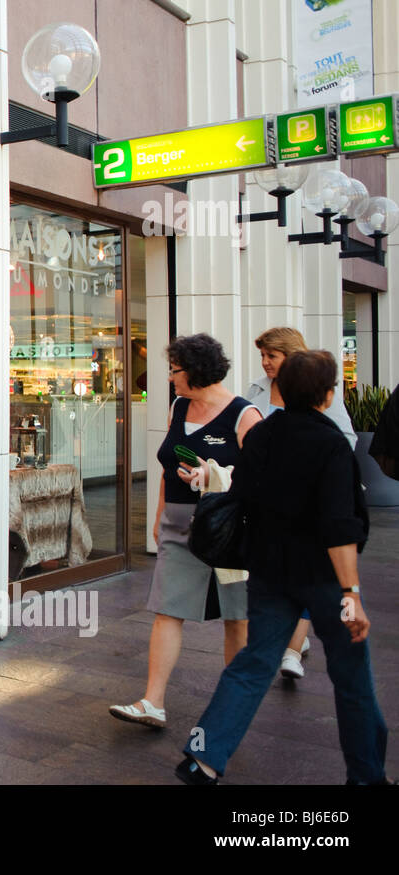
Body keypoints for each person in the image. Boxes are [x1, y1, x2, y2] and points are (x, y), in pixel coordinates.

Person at [176, 350, 390, 785]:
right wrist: (351, 593)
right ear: (328, 396)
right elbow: (337, 526)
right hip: (325, 580)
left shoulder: (263, 435)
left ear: (281, 390)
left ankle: (203, 758)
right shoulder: (330, 444)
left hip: (270, 572)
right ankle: (367, 775)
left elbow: (247, 496)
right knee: (351, 675)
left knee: (254, 662)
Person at [109, 333, 261, 729]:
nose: (170, 378)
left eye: (175, 371)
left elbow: (261, 476)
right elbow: (166, 465)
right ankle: (152, 702)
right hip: (179, 523)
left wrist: (215, 475)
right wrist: (160, 513)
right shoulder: (179, 406)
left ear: (196, 372)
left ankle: (235, 703)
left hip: (229, 527)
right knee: (167, 609)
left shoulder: (245, 416)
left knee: (237, 615)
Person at [245, 327, 356, 680]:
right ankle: (291, 643)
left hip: (312, 504)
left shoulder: (321, 393)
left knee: (309, 570)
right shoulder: (257, 389)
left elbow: (345, 440)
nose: (265, 363)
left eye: (271, 356)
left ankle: (293, 650)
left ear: (291, 356)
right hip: (270, 507)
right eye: (263, 356)